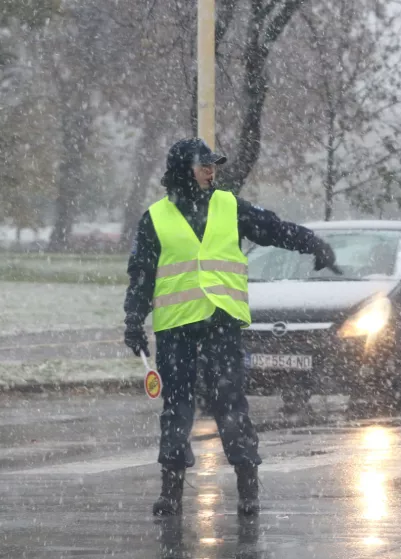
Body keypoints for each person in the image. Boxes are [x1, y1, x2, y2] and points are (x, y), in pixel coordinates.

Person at [123, 137, 336, 517]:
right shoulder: (155, 218)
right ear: (182, 171)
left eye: (213, 165)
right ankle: (170, 492)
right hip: (177, 328)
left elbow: (273, 229)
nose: (211, 171)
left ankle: (248, 490)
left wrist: (312, 243)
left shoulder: (229, 205)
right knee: (178, 409)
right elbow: (141, 275)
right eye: (203, 165)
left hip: (221, 322)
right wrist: (133, 320)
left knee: (231, 405)